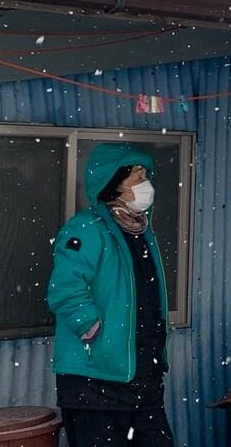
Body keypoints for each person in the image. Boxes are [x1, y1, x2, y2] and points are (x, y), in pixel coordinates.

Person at [48, 143, 174, 446]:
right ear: (113, 185)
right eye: (137, 177)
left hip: (142, 375)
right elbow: (64, 288)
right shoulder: (86, 229)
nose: (146, 184)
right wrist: (91, 328)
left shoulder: (141, 231)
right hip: (96, 381)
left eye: (146, 176)